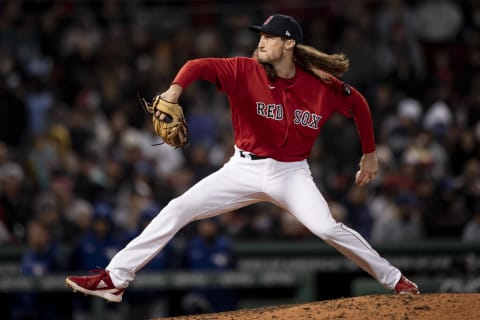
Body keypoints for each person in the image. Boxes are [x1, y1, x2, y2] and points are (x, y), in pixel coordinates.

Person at [66, 14, 419, 303]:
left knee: (327, 227)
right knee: (177, 208)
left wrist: (370, 154)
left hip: (291, 174)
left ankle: (397, 280)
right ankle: (114, 278)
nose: (261, 41)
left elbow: (357, 104)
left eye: (269, 37)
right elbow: (196, 65)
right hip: (241, 169)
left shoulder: (321, 84)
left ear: (289, 44)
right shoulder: (243, 70)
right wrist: (174, 91)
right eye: (261, 35)